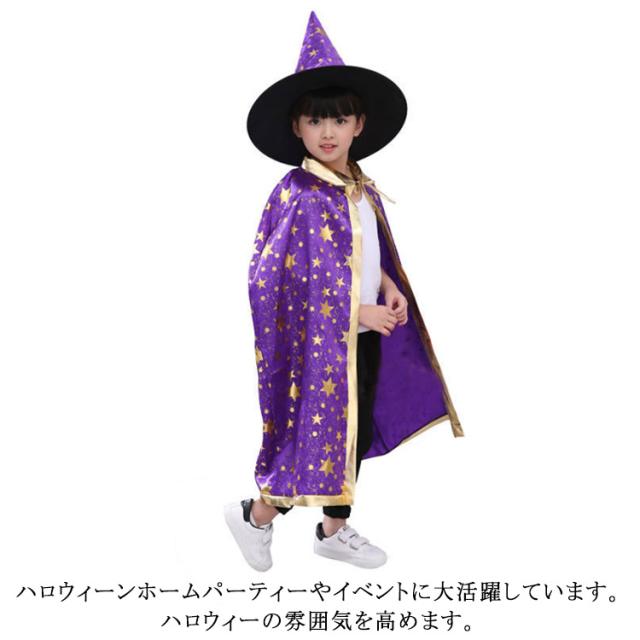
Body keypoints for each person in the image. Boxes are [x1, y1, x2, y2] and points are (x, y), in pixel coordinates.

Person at [224, 11, 463, 571]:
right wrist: (354, 311)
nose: (328, 131)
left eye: (340, 119)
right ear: (297, 127)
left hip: (364, 337)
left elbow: (366, 252)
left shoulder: (359, 188)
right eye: (315, 120)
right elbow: (275, 279)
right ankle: (255, 514)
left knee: (350, 432)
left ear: (359, 125)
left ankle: (333, 529)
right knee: (314, 435)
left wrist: (389, 287)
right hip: (320, 345)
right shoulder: (299, 193)